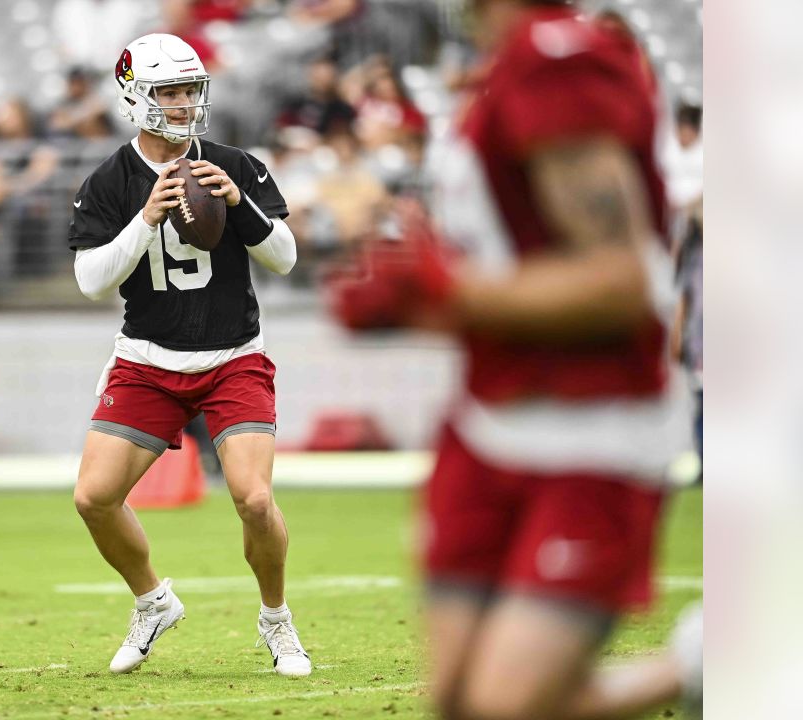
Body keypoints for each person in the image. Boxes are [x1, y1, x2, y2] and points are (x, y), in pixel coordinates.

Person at [329, 1, 702, 717]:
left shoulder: (556, 60)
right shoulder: (509, 67)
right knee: (460, 700)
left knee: (507, 706)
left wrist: (441, 290)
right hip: (490, 416)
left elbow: (621, 281)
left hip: (594, 424)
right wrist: (425, 299)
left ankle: (701, 668)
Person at [69, 33, 309, 676]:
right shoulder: (111, 180)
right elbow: (91, 282)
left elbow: (285, 258)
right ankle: (153, 601)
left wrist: (239, 204)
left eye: (188, 90)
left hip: (233, 353)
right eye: (168, 92)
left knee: (255, 500)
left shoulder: (235, 162)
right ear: (136, 96)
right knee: (93, 497)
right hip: (148, 358)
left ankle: (276, 618)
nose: (182, 103)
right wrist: (145, 219)